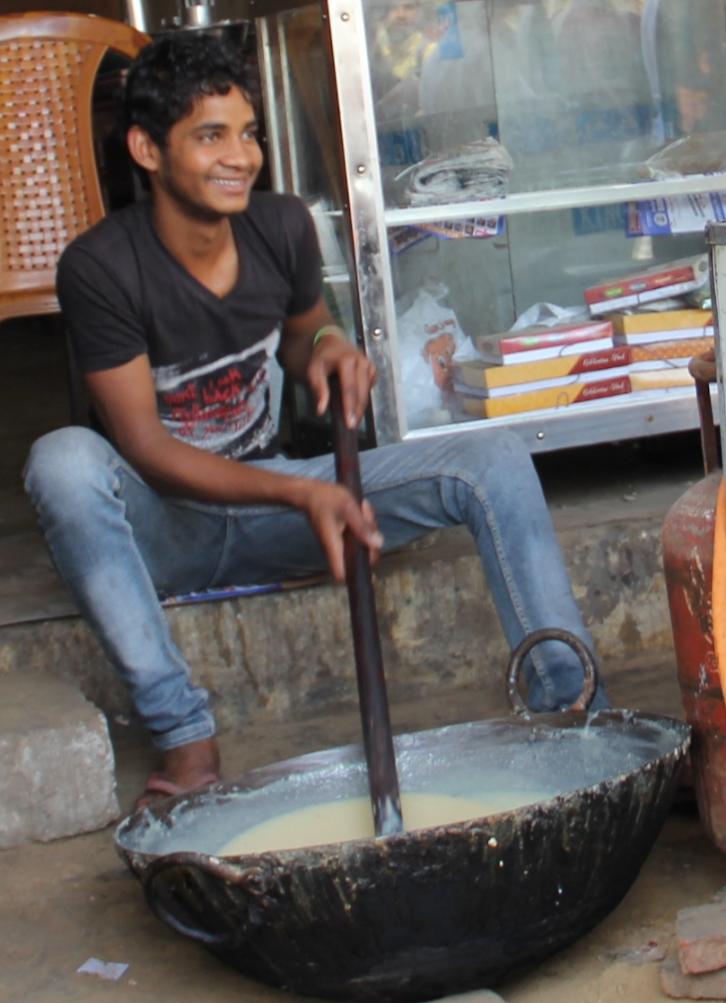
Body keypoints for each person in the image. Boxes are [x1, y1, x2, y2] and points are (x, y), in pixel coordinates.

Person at [23, 31, 608, 809]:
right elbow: (145, 447)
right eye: (210, 136)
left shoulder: (281, 226)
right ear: (147, 149)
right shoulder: (100, 267)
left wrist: (330, 345)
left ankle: (573, 713)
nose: (241, 157)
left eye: (249, 134)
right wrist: (303, 493)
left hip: (281, 509)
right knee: (63, 460)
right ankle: (184, 732)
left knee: (495, 457)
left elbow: (304, 334)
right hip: (167, 529)